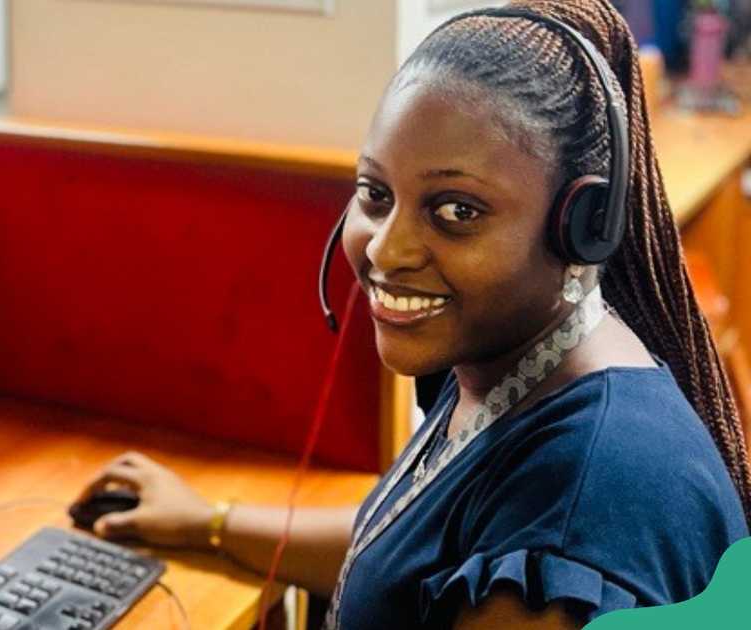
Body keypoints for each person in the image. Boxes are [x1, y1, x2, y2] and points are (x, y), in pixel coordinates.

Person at [70, 1, 751, 628]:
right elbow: (410, 554)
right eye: (375, 193)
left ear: (581, 225)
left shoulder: (576, 522)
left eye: (457, 210)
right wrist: (212, 522)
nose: (386, 250)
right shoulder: (518, 356)